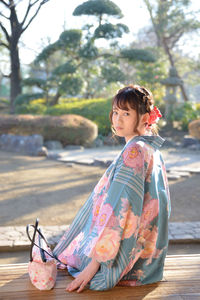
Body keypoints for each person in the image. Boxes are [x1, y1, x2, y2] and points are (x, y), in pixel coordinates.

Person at [53, 84, 171, 293]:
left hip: (127, 254)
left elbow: (118, 209)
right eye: (116, 112)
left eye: (126, 113)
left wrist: (93, 265)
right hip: (148, 259)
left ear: (145, 118)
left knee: (71, 254)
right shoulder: (150, 146)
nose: (118, 119)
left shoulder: (135, 150)